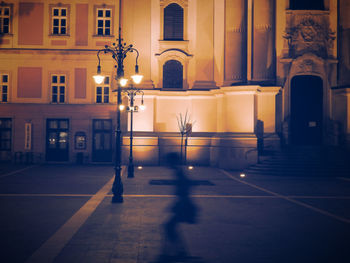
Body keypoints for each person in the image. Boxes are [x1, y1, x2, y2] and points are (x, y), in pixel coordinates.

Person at [156, 152, 199, 262]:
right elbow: (187, 185)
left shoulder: (179, 172)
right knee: (170, 226)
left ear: (172, 161)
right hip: (182, 204)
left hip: (184, 205)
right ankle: (179, 251)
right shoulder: (178, 171)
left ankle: (178, 252)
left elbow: (185, 187)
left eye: (168, 161)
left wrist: (177, 204)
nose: (167, 163)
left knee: (169, 226)